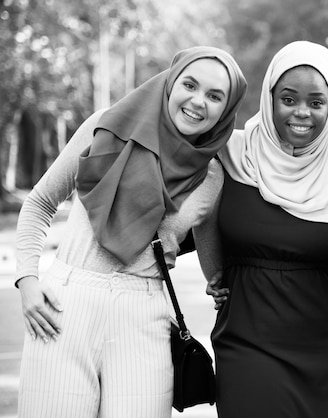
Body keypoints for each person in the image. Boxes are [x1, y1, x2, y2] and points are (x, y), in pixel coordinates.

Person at [15, 46, 247, 418]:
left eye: (215, 95)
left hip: (145, 317)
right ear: (171, 84)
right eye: (190, 84)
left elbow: (216, 270)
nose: (197, 101)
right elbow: (39, 203)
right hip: (65, 305)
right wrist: (27, 279)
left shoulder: (213, 176)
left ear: (227, 108)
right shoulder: (105, 126)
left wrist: (228, 284)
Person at [195, 40, 328, 417]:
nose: (301, 113)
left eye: (316, 102)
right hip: (248, 345)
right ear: (269, 98)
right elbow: (191, 216)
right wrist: (214, 272)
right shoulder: (230, 156)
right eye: (288, 99)